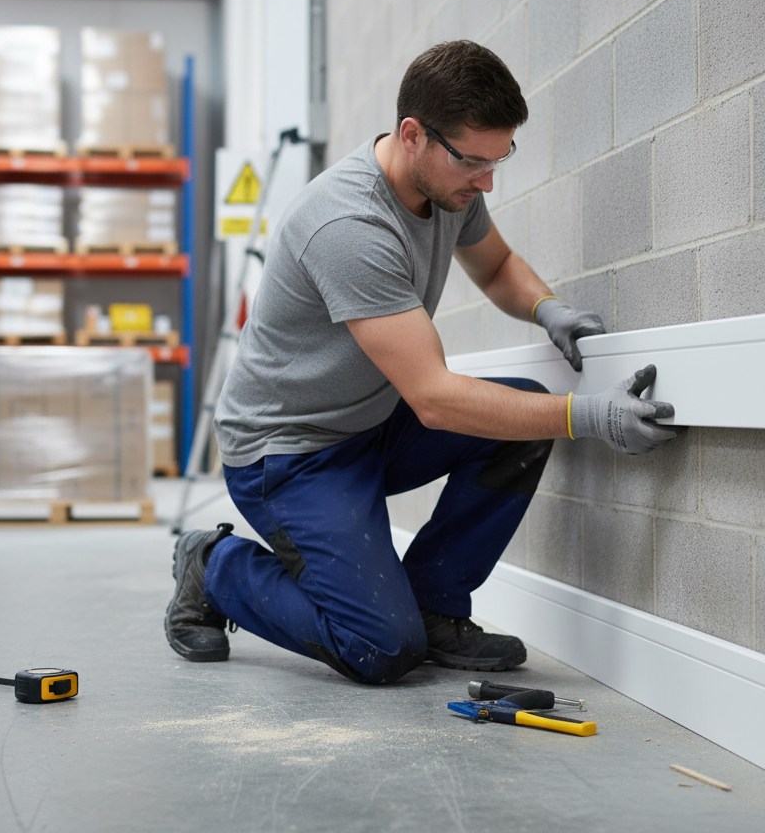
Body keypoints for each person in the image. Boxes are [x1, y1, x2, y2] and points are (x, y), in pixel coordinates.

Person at [165, 40, 677, 685]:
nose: (487, 180)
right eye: (474, 161)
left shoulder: (449, 183)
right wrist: (590, 415)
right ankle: (214, 565)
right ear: (413, 134)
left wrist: (547, 308)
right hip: (290, 454)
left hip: (369, 426)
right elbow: (434, 397)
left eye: (500, 159)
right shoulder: (349, 225)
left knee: (518, 423)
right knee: (378, 648)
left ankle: (434, 606)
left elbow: (494, 265)